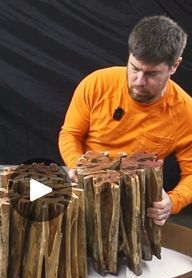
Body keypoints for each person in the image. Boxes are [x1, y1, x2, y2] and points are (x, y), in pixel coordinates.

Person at [58, 15, 192, 226]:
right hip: (81, 183)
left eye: (152, 74)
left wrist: (173, 202)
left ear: (174, 66)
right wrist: (77, 166)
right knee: (26, 194)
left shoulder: (186, 111)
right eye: (135, 68)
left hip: (136, 202)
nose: (139, 81)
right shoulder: (97, 83)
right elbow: (70, 134)